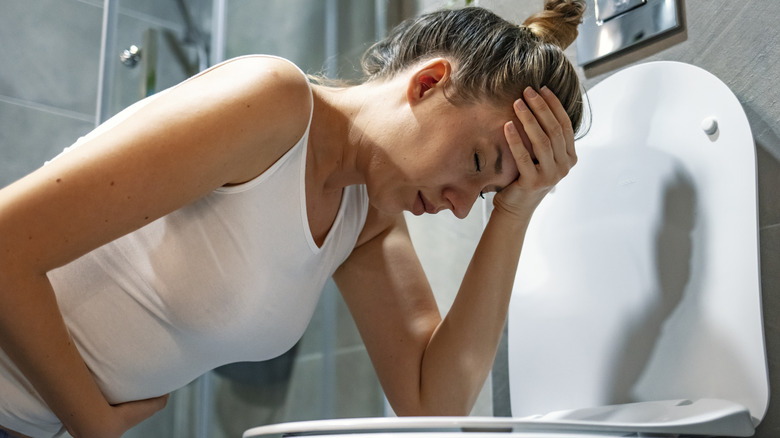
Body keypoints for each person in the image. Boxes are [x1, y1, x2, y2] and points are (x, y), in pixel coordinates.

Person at [0, 1, 587, 437]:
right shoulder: (272, 104)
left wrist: (513, 212)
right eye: (479, 162)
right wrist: (91, 425)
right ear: (428, 84)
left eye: (482, 194)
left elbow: (432, 405)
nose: (461, 206)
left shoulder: (366, 218)